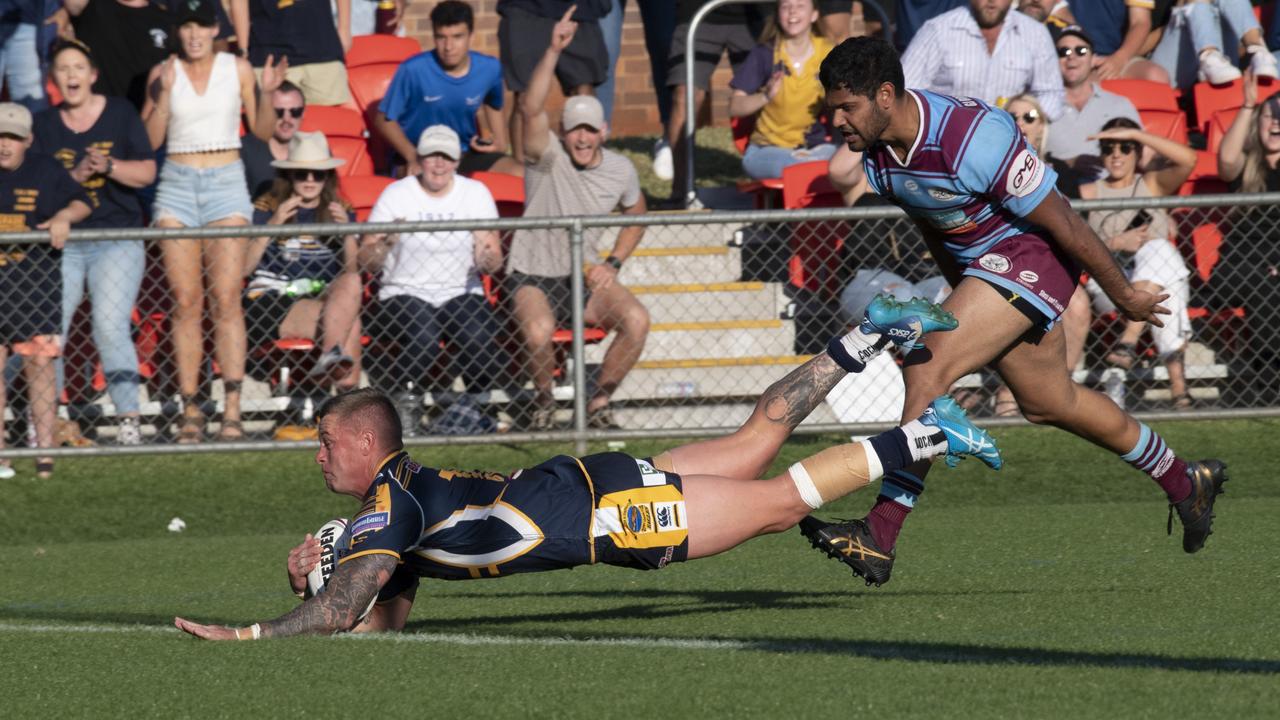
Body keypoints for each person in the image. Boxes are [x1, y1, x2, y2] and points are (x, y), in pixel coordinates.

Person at [172, 297, 1005, 640]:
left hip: (606, 516)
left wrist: (252, 632)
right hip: (588, 477)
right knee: (756, 441)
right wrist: (330, 564)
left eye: (323, 443)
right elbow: (380, 615)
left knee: (779, 503)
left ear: (362, 444)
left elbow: (345, 605)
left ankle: (926, 436)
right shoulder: (403, 503)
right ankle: (866, 337)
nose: (317, 456)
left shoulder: (391, 508)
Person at [804, 37, 1227, 588]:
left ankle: (881, 532)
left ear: (885, 95)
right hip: (987, 275)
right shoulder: (880, 161)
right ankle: (1182, 480)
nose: (835, 120)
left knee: (925, 366)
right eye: (831, 108)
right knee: (1049, 402)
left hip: (1033, 258)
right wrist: (967, 296)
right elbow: (937, 227)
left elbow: (1065, 224)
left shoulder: (971, 136)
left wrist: (1121, 293)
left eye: (846, 107)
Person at [141, 0, 277, 442]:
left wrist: (268, 92)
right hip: (177, 182)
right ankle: (191, 406)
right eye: (187, 27)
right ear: (178, 31)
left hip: (224, 180)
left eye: (202, 25)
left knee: (225, 297)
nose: (195, 34)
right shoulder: (164, 71)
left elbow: (261, 130)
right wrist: (161, 95)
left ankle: (232, 407)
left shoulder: (237, 68)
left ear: (215, 28)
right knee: (185, 300)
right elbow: (151, 141)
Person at [511, 11, 649, 430]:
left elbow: (638, 214)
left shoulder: (621, 170)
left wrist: (615, 262)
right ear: (563, 132)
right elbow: (528, 107)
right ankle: (544, 403)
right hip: (533, 272)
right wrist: (553, 50)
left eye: (590, 129)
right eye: (575, 130)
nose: (583, 138)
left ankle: (599, 402)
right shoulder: (547, 157)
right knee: (537, 330)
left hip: (584, 275)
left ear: (603, 130)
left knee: (637, 319)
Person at [33, 39, 156, 446]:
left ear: (92, 75)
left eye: (78, 67)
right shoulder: (45, 125)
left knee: (109, 325)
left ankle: (128, 418)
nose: (71, 75)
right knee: (51, 331)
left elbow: (147, 173)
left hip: (116, 236)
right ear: (54, 79)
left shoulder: (120, 113)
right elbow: (38, 191)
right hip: (63, 240)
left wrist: (111, 166)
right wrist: (78, 176)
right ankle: (50, 421)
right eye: (63, 69)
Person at [357, 125, 505, 406]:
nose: (439, 164)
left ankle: (478, 405)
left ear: (457, 161)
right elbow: (366, 259)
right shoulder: (397, 194)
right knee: (423, 335)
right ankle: (402, 403)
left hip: (460, 290)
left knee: (478, 334)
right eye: (431, 156)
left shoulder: (475, 193)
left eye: (446, 157)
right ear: (420, 159)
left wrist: (485, 257)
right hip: (403, 290)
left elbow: (493, 260)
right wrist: (386, 243)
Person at [1069, 116, 1196, 409]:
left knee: (1160, 255)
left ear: (1138, 152)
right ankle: (1180, 390)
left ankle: (1127, 342)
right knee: (1167, 278)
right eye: (1109, 147)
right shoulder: (1088, 192)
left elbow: (1189, 159)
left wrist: (1136, 133)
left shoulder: (1150, 183)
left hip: (1153, 284)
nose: (1116, 154)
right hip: (1110, 285)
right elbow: (1076, 250)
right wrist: (1115, 244)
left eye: (1126, 147)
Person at [0, 102, 91, 478]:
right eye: (0, 136)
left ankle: (45, 453)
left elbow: (82, 201)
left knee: (40, 365)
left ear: (28, 141)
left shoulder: (46, 169)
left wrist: (62, 218)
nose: (5, 144)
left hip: (34, 283)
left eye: (14, 138)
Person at [245, 131, 363, 390]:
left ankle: (327, 365)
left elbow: (351, 272)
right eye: (302, 173)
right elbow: (245, 267)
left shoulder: (340, 209)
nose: (310, 180)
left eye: (317, 173)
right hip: (271, 297)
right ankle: (345, 392)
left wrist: (347, 236)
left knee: (352, 283)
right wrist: (273, 225)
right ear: (289, 175)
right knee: (350, 322)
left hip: (323, 294)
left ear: (327, 177)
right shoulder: (268, 205)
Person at [375, 0, 520, 177]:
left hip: (462, 151)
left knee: (518, 173)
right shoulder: (413, 69)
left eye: (457, 37)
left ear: (471, 36)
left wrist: (500, 142)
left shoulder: (489, 68)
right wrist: (411, 155)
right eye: (441, 37)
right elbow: (383, 119)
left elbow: (493, 102)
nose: (449, 47)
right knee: (428, 184)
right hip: (419, 154)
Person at [1214, 68, 1280, 403]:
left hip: (1275, 268)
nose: (1276, 122)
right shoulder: (1246, 166)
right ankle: (1270, 386)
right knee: (1263, 283)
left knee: (1271, 283)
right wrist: (1249, 106)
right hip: (1237, 268)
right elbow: (1225, 160)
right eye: (1271, 115)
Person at [661, 0, 768, 206]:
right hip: (697, 11)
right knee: (684, 95)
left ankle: (769, 186)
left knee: (766, 93)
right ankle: (681, 191)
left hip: (754, 12)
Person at [728, 0, 838, 180]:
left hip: (815, 148)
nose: (792, 11)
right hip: (767, 151)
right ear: (778, 15)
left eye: (800, 6)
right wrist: (765, 96)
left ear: (814, 14)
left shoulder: (829, 52)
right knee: (799, 167)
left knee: (848, 161)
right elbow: (735, 107)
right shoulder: (764, 53)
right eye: (786, 6)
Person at [902, 0, 1065, 120]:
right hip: (947, 143)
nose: (992, 1)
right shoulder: (937, 29)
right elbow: (905, 91)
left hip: (1011, 143)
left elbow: (1051, 94)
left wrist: (1026, 119)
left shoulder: (1035, 34)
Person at [497, 0, 609, 165]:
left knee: (584, 95)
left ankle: (587, 174)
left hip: (580, 8)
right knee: (525, 98)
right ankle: (521, 179)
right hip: (524, 8)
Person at [1044, 25, 1143, 181]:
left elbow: (1143, 156)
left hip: (1109, 196)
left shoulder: (1119, 105)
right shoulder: (1039, 107)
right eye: (1063, 52)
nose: (1072, 57)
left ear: (1094, 60)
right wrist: (1068, 163)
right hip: (1057, 193)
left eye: (1081, 51)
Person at [229, 0, 352, 107]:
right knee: (270, 126)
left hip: (322, 52)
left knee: (329, 125)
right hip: (268, 58)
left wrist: (344, 28)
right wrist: (243, 48)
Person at [63, 0, 171, 111]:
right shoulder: (93, 6)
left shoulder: (166, 21)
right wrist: (62, 12)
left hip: (142, 122)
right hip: (92, 118)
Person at [1150, 0, 1279, 88]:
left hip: (1224, 64)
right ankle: (1209, 54)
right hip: (1170, 63)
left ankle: (1258, 51)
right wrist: (1187, 18)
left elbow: (1240, 49)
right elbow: (1138, 44)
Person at [1067, 0, 1170, 82]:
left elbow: (1140, 22)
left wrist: (1119, 58)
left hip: (1113, 54)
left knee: (1156, 76)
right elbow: (1059, 14)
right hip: (1069, 54)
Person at [240, 81, 306, 201]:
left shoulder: (315, 147)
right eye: (278, 112)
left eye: (295, 112)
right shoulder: (243, 150)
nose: (287, 119)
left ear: (303, 114)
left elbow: (329, 196)